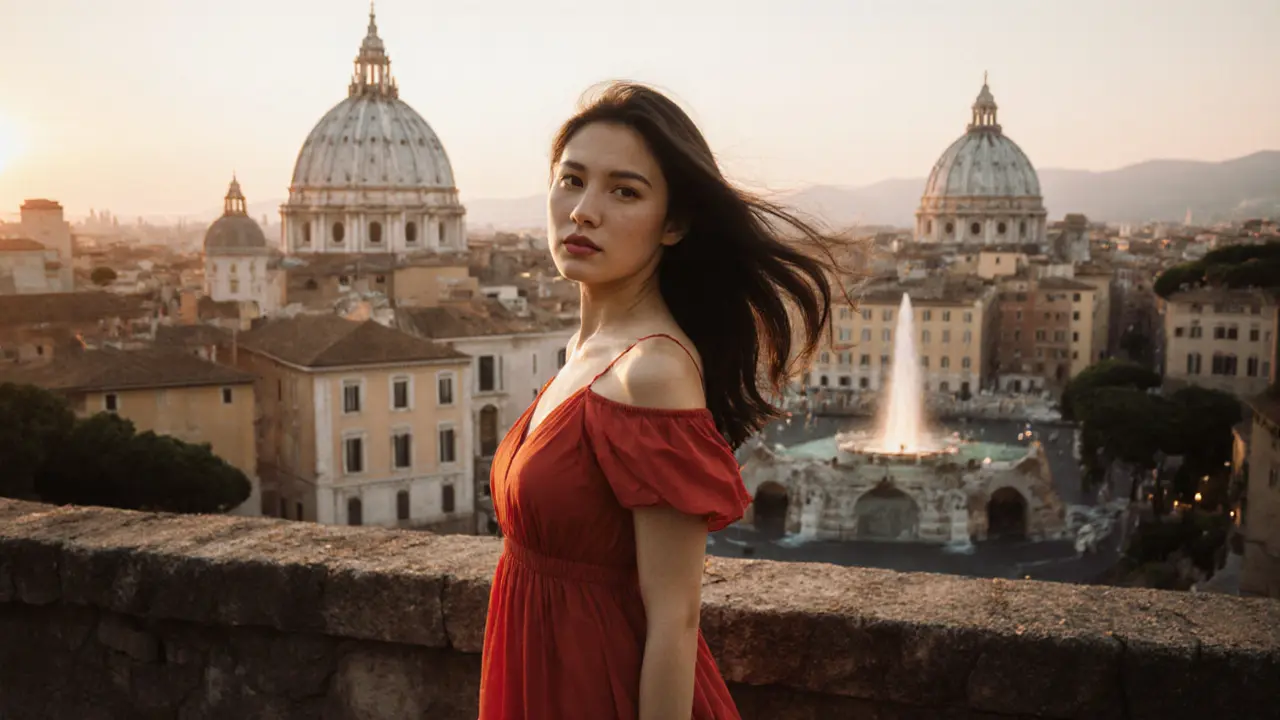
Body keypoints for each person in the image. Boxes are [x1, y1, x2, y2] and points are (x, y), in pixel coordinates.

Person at [478, 81, 851, 720]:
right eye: (572, 180)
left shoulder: (650, 372)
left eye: (624, 191)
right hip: (539, 676)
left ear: (674, 223)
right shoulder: (585, 350)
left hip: (601, 692)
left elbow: (675, 620)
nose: (583, 211)